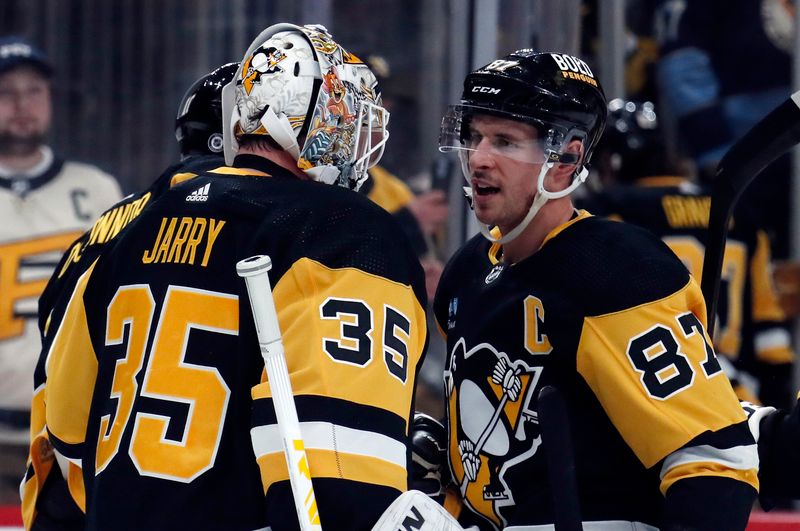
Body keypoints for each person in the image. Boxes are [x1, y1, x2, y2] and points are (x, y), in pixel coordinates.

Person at [41, 23, 427, 530]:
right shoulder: (342, 229)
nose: (355, 140)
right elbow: (337, 471)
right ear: (308, 116)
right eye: (348, 117)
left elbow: (67, 424)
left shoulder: (137, 223)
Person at [433, 50, 758, 530]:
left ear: (565, 158)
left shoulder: (613, 270)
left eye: (504, 140)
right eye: (475, 136)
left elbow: (714, 463)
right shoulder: (466, 274)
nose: (478, 158)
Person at [19, 62, 238, 530]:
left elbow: (58, 352)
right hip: (185, 488)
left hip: (69, 474)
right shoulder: (254, 221)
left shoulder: (109, 222)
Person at [583, 99, 794, 409]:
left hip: (668, 392)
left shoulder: (613, 210)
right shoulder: (740, 214)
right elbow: (770, 337)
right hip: (743, 399)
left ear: (612, 162)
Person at [0, 35, 122, 502]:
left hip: (69, 437)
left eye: (33, 91)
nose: (21, 105)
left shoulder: (96, 190)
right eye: (7, 92)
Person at [657, 0, 794, 258]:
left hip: (779, 155)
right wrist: (716, 149)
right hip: (744, 157)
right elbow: (683, 66)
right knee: (750, 261)